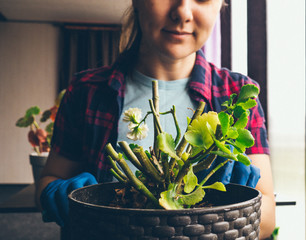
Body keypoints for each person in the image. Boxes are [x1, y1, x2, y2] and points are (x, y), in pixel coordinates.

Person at [36, 0, 276, 239]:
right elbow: (50, 179)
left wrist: (240, 205)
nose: (182, 12)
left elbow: (267, 220)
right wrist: (58, 193)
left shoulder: (237, 94)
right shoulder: (86, 91)